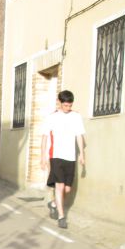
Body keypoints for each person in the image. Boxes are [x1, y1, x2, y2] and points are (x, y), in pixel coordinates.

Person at [40, 90, 86, 229]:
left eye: (70, 105)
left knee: (67, 189)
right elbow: (44, 137)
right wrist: (43, 156)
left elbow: (79, 136)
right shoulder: (52, 117)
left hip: (70, 157)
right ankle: (61, 217)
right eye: (66, 105)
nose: (68, 108)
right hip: (56, 156)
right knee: (59, 186)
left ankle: (53, 204)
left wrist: (82, 155)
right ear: (60, 103)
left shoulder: (76, 116)